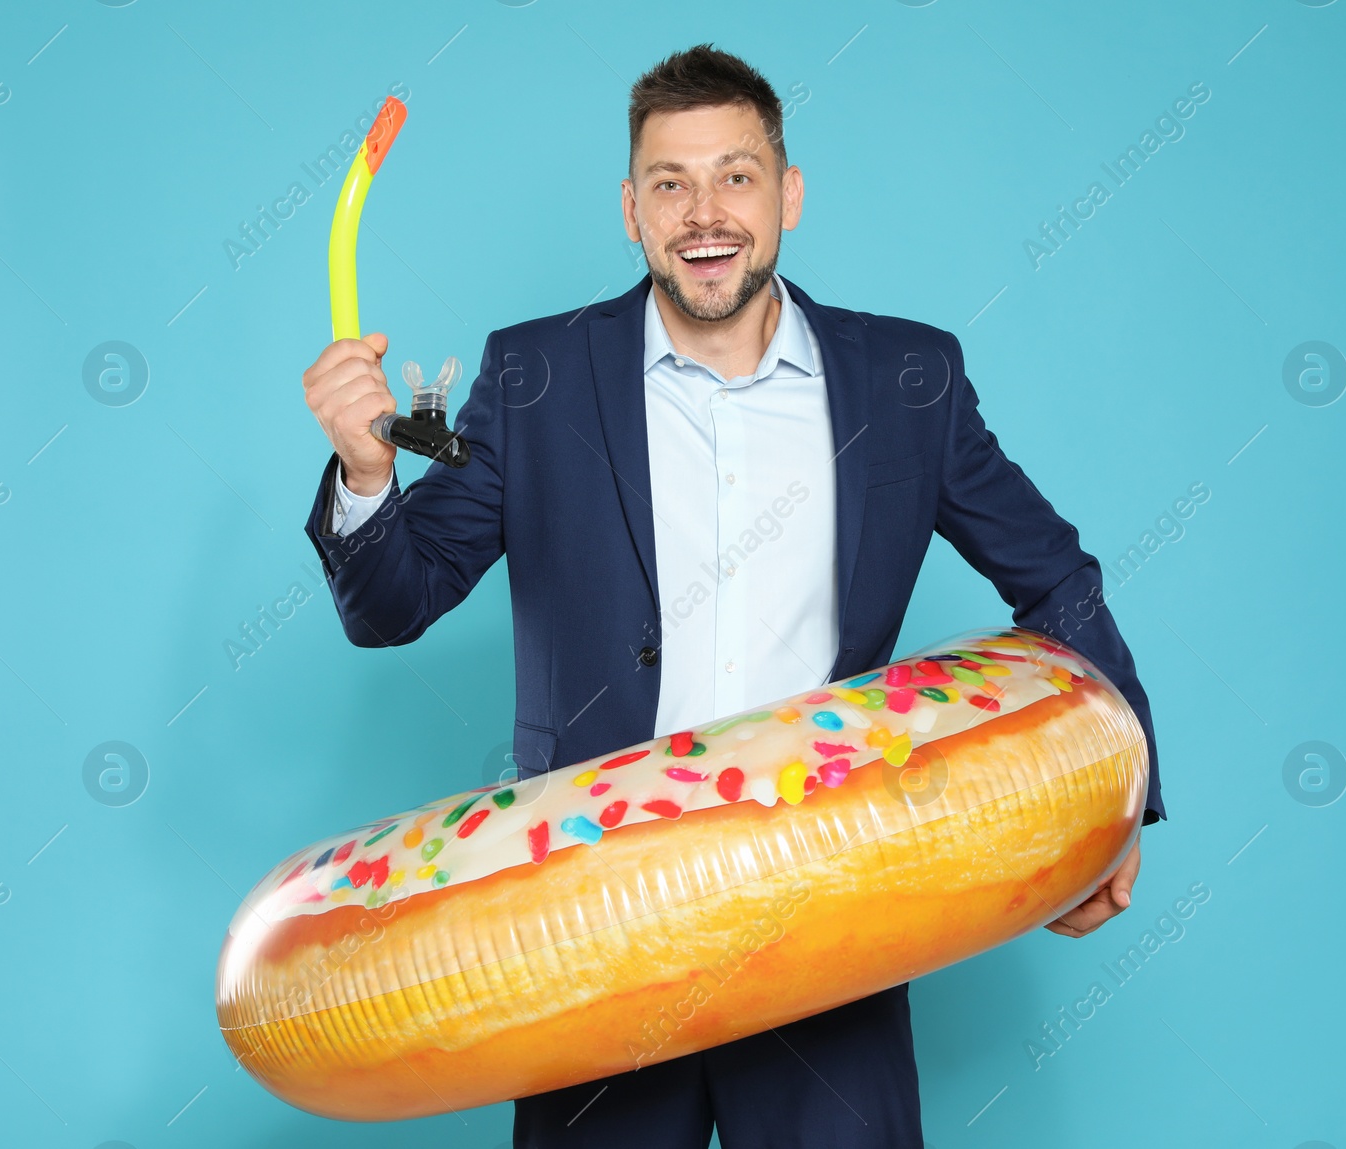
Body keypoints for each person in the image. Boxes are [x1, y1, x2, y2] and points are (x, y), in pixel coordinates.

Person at [301, 42, 1163, 1149]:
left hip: (833, 905)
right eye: (670, 183)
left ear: (788, 194)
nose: (703, 212)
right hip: (594, 926)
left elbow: (1057, 585)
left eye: (735, 176)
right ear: (630, 210)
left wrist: (1117, 802)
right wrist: (368, 475)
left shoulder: (910, 380)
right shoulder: (534, 376)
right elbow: (392, 606)